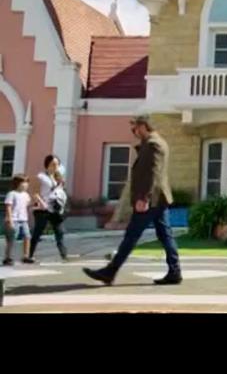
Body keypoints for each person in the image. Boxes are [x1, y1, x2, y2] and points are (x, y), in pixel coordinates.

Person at [83, 116, 182, 285]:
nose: (133, 132)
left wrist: (144, 198)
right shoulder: (154, 142)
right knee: (165, 235)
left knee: (132, 236)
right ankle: (175, 271)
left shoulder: (153, 144)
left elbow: (153, 173)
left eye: (134, 128)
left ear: (143, 126)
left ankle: (110, 272)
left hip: (151, 200)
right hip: (158, 199)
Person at [30, 154, 69, 262]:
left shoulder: (58, 178)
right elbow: (35, 192)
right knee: (38, 231)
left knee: (59, 231)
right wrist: (42, 203)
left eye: (57, 164)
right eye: (53, 164)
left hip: (54, 208)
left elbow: (60, 192)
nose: (55, 166)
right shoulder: (41, 176)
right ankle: (30, 254)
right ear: (47, 165)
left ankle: (64, 254)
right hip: (42, 209)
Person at [4, 175, 33, 266]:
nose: (26, 185)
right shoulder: (12, 194)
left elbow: (27, 206)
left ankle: (25, 256)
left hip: (23, 220)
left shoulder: (26, 195)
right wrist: (10, 220)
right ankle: (8, 258)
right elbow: (8, 207)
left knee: (27, 237)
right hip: (14, 219)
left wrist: (35, 205)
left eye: (27, 183)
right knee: (12, 239)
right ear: (18, 183)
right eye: (24, 182)